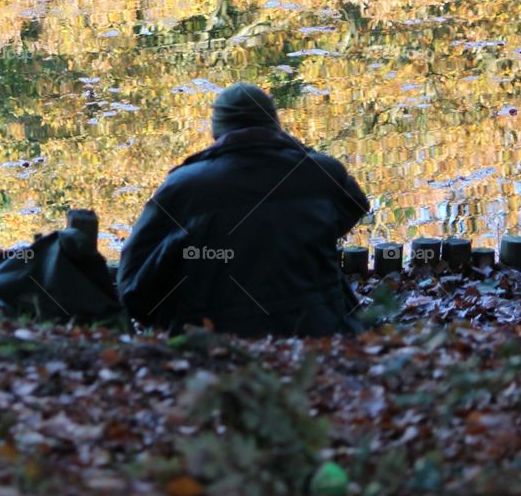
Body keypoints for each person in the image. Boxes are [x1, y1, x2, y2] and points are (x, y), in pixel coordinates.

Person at [117, 82, 369, 337]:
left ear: (218, 128)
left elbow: (131, 284)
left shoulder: (183, 186)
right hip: (321, 331)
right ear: (274, 123)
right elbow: (356, 205)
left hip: (217, 338)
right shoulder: (319, 171)